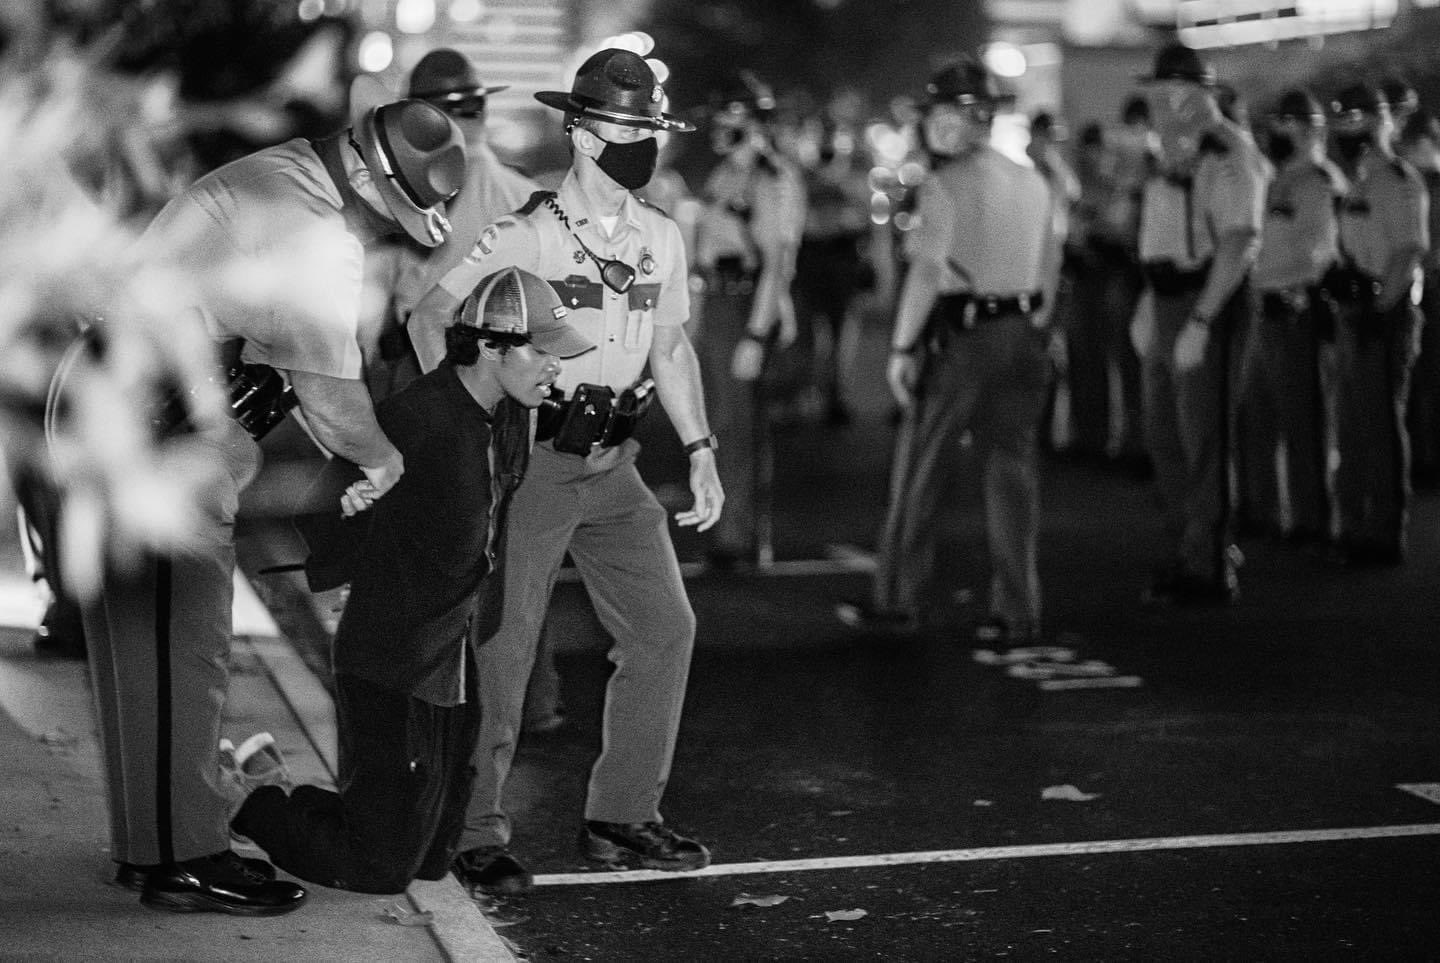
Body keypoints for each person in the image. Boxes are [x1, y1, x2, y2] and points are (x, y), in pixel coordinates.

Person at [75, 76, 466, 915]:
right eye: (393, 214)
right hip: (156, 438)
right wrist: (386, 463)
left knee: (141, 659)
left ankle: (151, 848)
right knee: (183, 657)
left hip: (116, 414)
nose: (388, 234)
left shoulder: (286, 171)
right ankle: (185, 858)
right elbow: (330, 394)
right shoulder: (314, 230)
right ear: (367, 178)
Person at [408, 48, 722, 895]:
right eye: (627, 129)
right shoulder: (528, 233)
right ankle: (473, 829)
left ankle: (622, 815)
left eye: (650, 130)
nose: (644, 145)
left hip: (616, 461)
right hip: (535, 461)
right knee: (504, 648)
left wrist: (700, 449)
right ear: (582, 135)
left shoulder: (660, 235)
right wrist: (465, 424)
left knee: (664, 628)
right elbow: (432, 316)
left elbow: (670, 347)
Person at [229, 267, 594, 894]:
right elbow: (328, 502)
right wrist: (355, 535)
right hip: (391, 663)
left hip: (453, 655)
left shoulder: (510, 415)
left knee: (431, 858)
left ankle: (290, 791)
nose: (555, 366)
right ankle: (248, 800)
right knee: (381, 870)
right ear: (490, 347)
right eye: (542, 351)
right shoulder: (418, 418)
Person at [837, 56, 1059, 643]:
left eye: (943, 114)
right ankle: (1019, 609)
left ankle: (897, 598)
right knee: (1012, 473)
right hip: (1023, 334)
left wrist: (901, 348)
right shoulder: (1033, 179)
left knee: (922, 468)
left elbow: (928, 272)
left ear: (973, 118)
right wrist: (1031, 326)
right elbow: (1049, 267)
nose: (933, 125)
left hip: (965, 339)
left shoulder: (944, 184)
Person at [1131, 44, 1266, 605]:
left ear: (1192, 95)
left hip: (1208, 299)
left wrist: (1202, 321)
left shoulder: (1227, 150)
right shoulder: (1175, 148)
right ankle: (1190, 544)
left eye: (1165, 93)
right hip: (1169, 299)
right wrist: (1150, 301)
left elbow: (1238, 241)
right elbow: (1165, 232)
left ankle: (1206, 565)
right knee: (1165, 432)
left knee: (1203, 436)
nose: (1156, 103)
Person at [692, 70, 807, 568]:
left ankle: (738, 538)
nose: (718, 125)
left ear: (751, 120)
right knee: (721, 422)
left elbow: (777, 263)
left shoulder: (769, 177)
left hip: (743, 303)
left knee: (736, 429)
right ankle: (731, 530)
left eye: (727, 115)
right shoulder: (727, 172)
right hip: (720, 299)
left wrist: (756, 335)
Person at [1322, 81, 1428, 565]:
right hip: (1355, 314)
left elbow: (1407, 252)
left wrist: (1380, 308)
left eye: (1356, 120)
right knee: (1350, 425)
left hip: (1384, 316)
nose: (1347, 130)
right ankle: (1353, 525)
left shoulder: (1399, 179)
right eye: (1341, 121)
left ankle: (1383, 533)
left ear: (1381, 122)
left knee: (1379, 425)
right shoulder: (1360, 181)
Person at [1234, 89, 1343, 544]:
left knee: (1303, 419)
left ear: (1309, 130)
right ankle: (1261, 510)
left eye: (1287, 124)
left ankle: (1309, 519)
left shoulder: (1318, 182)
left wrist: (1266, 276)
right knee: (1255, 416)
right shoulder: (1275, 177)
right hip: (1262, 308)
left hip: (1294, 308)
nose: (1277, 132)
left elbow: (1318, 252)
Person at [1399, 108, 1440, 488]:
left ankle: (1425, 461)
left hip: (1427, 288)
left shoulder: (1421, 185)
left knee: (1423, 377)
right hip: (1425, 287)